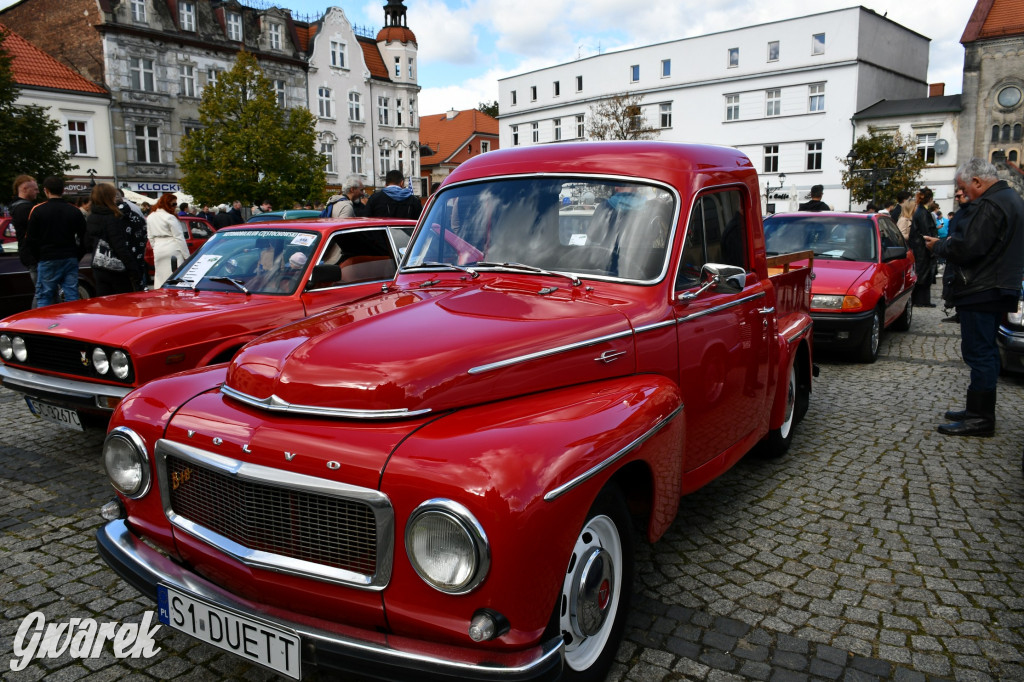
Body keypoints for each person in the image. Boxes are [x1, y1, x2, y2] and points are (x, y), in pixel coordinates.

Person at [924, 158, 1024, 437]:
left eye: (964, 188)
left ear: (978, 182)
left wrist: (940, 246)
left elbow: (970, 247)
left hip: (983, 289)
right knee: (984, 352)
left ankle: (980, 418)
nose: (964, 194)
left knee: (979, 353)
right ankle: (976, 411)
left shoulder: (991, 204)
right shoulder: (1007, 198)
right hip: (994, 286)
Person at [26, 176, 88, 307]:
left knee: (45, 295)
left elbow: (31, 239)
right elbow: (84, 237)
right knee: (72, 294)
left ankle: (44, 325)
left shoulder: (38, 210)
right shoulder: (74, 210)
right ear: (63, 190)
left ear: (46, 190)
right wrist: (78, 255)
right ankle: (73, 323)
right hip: (69, 256)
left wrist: (39, 256)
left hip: (47, 257)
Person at [86, 183, 142, 295]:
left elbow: (87, 242)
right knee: (123, 301)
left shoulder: (91, 216)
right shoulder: (112, 217)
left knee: (105, 302)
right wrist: (133, 268)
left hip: (98, 265)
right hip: (116, 268)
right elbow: (119, 245)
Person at [147, 192, 190, 287]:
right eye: (174, 204)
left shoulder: (150, 216)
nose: (175, 206)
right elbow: (179, 237)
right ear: (167, 204)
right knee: (175, 275)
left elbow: (150, 237)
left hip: (158, 247)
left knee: (160, 275)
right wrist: (187, 256)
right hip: (172, 246)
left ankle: (159, 294)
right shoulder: (169, 217)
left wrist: (156, 247)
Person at [9, 175, 39, 304]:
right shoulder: (25, 208)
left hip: (28, 253)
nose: (37, 192)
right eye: (35, 189)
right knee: (42, 291)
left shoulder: (17, 206)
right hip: (33, 254)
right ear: (25, 188)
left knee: (43, 290)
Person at [116, 189, 150, 287]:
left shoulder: (112, 216)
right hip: (136, 254)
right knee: (138, 281)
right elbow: (144, 230)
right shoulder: (135, 210)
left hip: (121, 259)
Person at [910, 187, 938, 307]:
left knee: (923, 273)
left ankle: (922, 300)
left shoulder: (921, 211)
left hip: (920, 247)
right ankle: (921, 300)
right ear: (930, 199)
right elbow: (926, 232)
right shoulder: (922, 213)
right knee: (923, 274)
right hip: (922, 248)